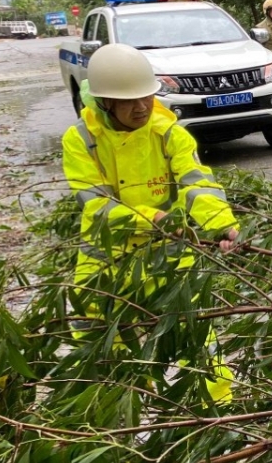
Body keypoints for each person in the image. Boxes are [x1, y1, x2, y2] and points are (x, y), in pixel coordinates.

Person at [61, 44, 241, 404]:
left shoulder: (169, 133)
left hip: (167, 255)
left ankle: (222, 414)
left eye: (145, 96)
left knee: (195, 334)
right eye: (128, 101)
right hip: (105, 260)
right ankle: (114, 423)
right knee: (96, 343)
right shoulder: (81, 140)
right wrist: (153, 218)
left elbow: (197, 182)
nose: (141, 106)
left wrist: (220, 223)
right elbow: (97, 206)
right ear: (105, 102)